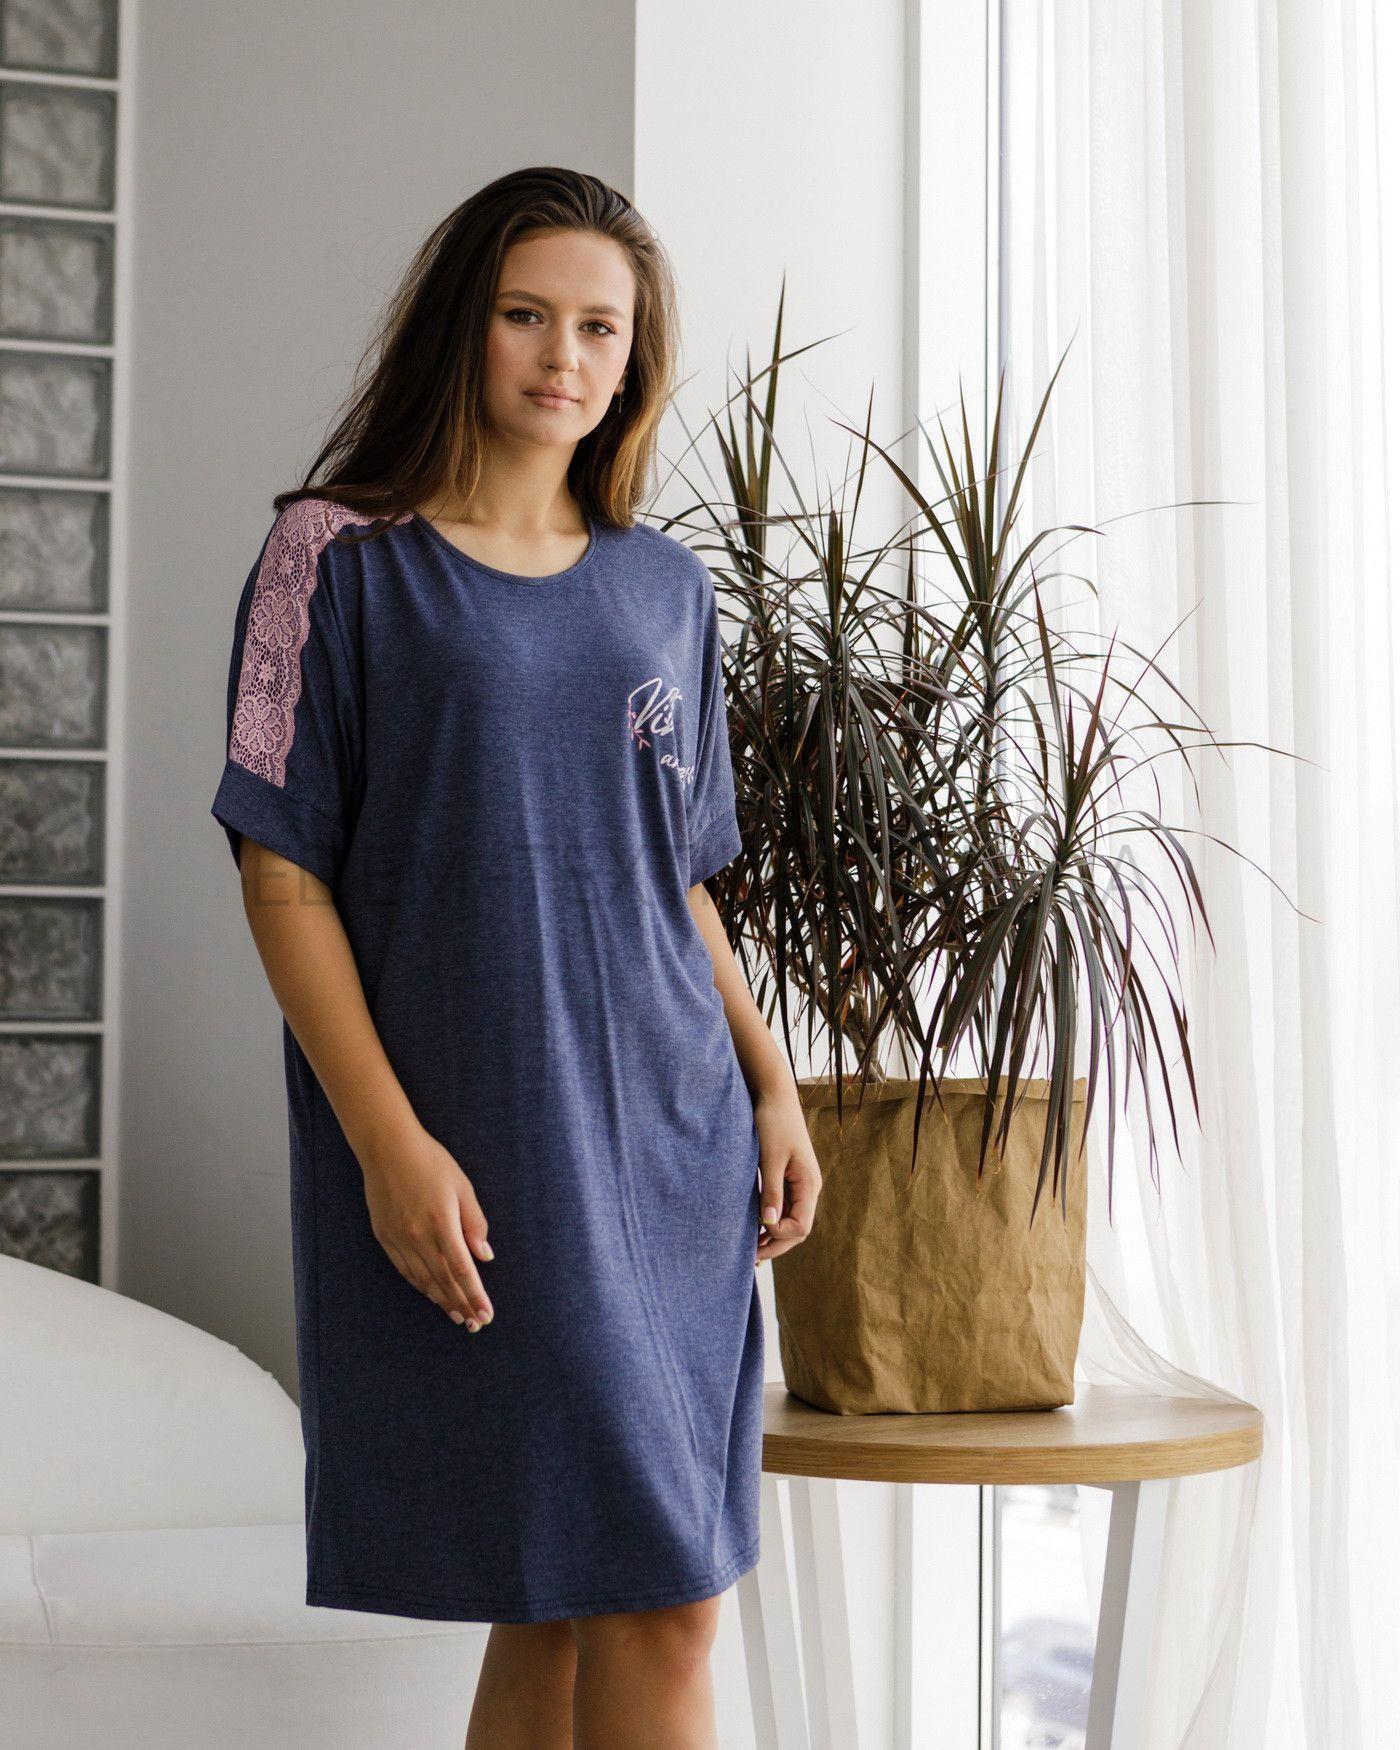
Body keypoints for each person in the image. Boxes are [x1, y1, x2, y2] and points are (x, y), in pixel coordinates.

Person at [209, 165, 823, 1749]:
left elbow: (679, 879)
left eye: (600, 328)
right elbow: (282, 872)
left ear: (635, 359)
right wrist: (386, 1140)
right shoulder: (333, 558)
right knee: (633, 1587)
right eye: (527, 314)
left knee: (577, 1594)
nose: (565, 355)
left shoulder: (664, 586)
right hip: (484, 1136)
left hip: (674, 1143)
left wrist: (772, 1080)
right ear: (461, 327)